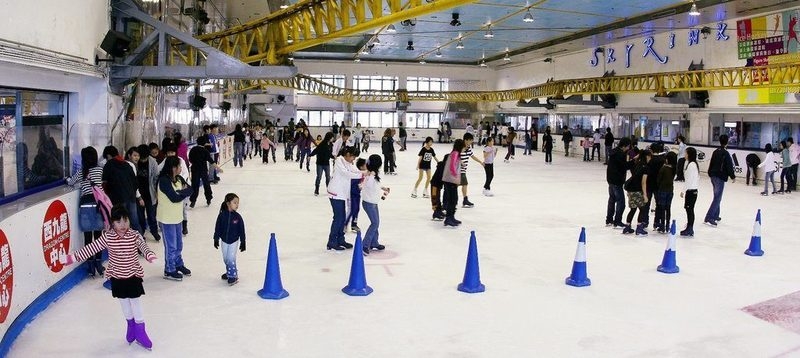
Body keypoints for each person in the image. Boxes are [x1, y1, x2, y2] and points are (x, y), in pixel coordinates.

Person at [60, 205, 157, 350]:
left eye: (125, 221)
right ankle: (130, 326)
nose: (123, 225)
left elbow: (143, 246)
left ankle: (141, 331)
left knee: (135, 302)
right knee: (124, 302)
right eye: (118, 222)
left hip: (132, 275)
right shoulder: (108, 237)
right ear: (112, 223)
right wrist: (72, 258)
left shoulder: (135, 235)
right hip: (117, 276)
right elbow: (90, 249)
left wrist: (149, 255)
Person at [66, 146, 107, 276]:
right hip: (98, 205)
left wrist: (66, 179)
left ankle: (90, 265)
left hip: (85, 205)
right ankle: (99, 264)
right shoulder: (100, 170)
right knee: (98, 236)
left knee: (88, 237)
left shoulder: (82, 172)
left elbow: (71, 182)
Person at [156, 156, 194, 281]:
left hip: (177, 217)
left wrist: (180, 193)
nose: (180, 168)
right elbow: (174, 198)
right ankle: (169, 269)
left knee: (179, 244)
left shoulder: (179, 178)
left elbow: (191, 189)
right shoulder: (164, 181)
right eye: (178, 166)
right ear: (172, 167)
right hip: (167, 218)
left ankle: (178, 263)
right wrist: (181, 193)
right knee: (171, 246)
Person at [326, 146, 363, 250]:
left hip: (342, 194)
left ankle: (340, 240)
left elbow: (355, 171)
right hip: (335, 193)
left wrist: (364, 172)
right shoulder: (339, 160)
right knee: (338, 218)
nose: (354, 159)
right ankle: (332, 241)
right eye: (353, 157)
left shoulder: (348, 162)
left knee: (342, 219)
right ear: (347, 155)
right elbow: (346, 173)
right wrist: (362, 175)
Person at [102, 146, 142, 234]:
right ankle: (140, 242)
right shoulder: (127, 165)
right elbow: (135, 183)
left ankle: (122, 243)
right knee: (134, 222)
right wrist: (131, 192)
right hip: (131, 198)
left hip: (118, 199)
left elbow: (104, 184)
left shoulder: (108, 165)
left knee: (120, 222)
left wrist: (108, 195)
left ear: (108, 155)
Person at [703, 134, 736, 227]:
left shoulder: (716, 151)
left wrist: (709, 172)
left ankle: (715, 215)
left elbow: (711, 163)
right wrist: (732, 176)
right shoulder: (725, 153)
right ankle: (709, 217)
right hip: (719, 177)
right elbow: (729, 166)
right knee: (717, 198)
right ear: (727, 142)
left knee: (716, 196)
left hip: (713, 176)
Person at [213, 193, 246, 286]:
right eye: (235, 203)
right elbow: (218, 228)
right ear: (228, 203)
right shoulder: (222, 215)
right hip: (224, 241)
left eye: (238, 203)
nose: (237, 205)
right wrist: (216, 239)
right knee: (226, 258)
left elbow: (242, 230)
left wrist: (243, 242)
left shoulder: (238, 217)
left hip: (234, 241)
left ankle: (233, 276)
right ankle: (229, 272)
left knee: (231, 258)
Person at [361, 154, 390, 255]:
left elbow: (376, 184)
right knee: (375, 223)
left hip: (373, 202)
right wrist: (370, 175)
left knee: (376, 223)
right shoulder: (371, 175)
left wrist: (384, 188)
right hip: (369, 203)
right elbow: (367, 185)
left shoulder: (374, 174)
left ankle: (374, 242)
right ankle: (364, 245)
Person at [622, 150, 652, 236]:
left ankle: (627, 226)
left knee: (633, 209)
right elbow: (643, 182)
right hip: (637, 190)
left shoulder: (636, 164)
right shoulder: (645, 167)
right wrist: (645, 195)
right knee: (642, 209)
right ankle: (639, 228)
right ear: (647, 156)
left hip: (630, 189)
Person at [606, 137, 633, 228]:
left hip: (610, 179)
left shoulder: (614, 152)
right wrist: (633, 161)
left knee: (612, 200)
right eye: (628, 146)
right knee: (621, 202)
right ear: (625, 146)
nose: (629, 148)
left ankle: (609, 219)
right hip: (617, 181)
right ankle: (617, 221)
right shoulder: (620, 154)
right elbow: (624, 166)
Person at [135, 144, 160, 241]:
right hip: (138, 195)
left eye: (145, 159)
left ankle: (154, 232)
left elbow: (155, 178)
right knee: (140, 216)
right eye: (142, 158)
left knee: (151, 215)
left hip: (150, 193)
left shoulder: (153, 162)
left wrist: (156, 193)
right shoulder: (135, 162)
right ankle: (141, 234)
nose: (143, 161)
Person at [188, 136, 221, 207]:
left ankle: (193, 200)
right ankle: (208, 198)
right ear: (204, 143)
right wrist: (218, 168)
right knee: (206, 184)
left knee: (195, 185)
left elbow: (190, 159)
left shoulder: (193, 149)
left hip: (195, 169)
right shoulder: (205, 151)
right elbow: (211, 161)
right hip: (203, 170)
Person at [443, 139, 465, 227]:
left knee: (454, 200)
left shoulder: (456, 154)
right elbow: (452, 166)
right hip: (450, 180)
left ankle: (451, 217)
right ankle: (448, 218)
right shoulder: (455, 153)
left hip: (451, 180)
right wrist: (455, 175)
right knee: (453, 200)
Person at [654, 152, 677, 234]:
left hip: (662, 190)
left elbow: (658, 179)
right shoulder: (674, 168)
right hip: (670, 191)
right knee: (668, 208)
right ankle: (667, 225)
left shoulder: (664, 168)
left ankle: (662, 225)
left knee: (662, 208)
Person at [460, 133, 484, 208]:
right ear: (465, 140)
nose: (471, 142)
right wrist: (461, 162)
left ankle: (464, 200)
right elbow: (455, 156)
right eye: (470, 140)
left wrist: (480, 162)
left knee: (463, 184)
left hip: (463, 170)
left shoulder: (468, 147)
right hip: (457, 170)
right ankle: (448, 201)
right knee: (462, 184)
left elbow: (472, 156)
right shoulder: (460, 147)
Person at [680, 147, 699, 237]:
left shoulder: (692, 165)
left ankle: (690, 228)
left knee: (689, 209)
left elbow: (689, 180)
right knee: (689, 209)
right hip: (692, 190)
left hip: (691, 191)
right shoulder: (691, 164)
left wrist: (683, 191)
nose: (685, 155)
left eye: (686, 153)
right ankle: (689, 226)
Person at [346, 158, 366, 232]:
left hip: (357, 194)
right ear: (361, 167)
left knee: (357, 209)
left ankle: (354, 224)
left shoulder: (364, 174)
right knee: (352, 209)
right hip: (352, 194)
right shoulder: (356, 175)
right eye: (365, 165)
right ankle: (345, 224)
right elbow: (352, 184)